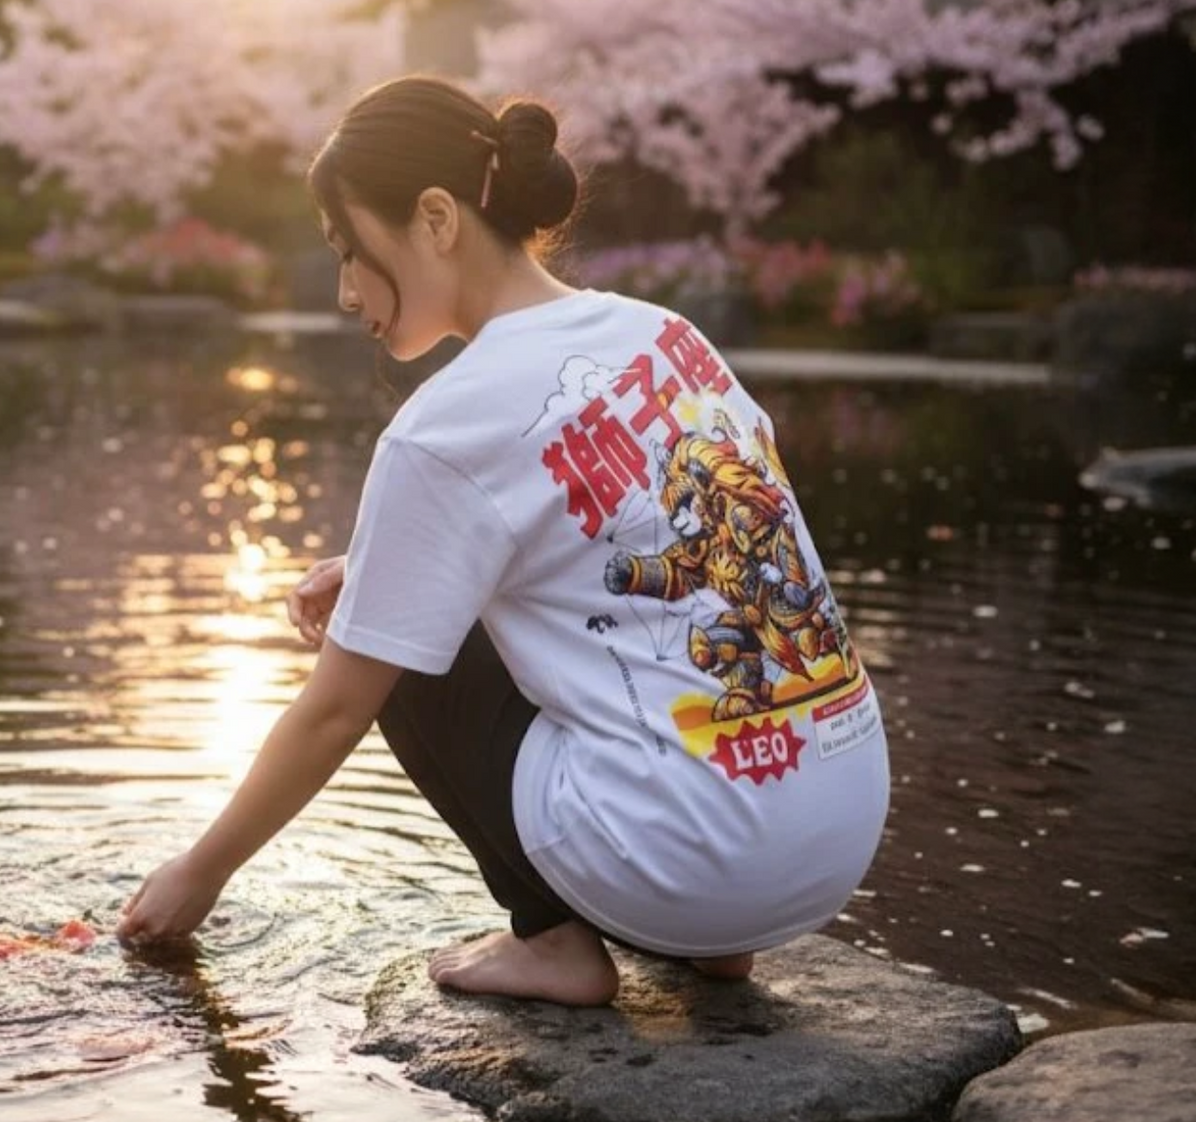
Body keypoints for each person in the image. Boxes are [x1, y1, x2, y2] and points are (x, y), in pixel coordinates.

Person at [117, 76, 890, 1006]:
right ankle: (715, 948)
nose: (343, 290)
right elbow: (689, 529)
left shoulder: (443, 425)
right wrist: (380, 567)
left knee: (388, 654)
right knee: (430, 611)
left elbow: (334, 711)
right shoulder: (665, 336)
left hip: (692, 859)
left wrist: (198, 874)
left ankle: (555, 942)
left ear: (435, 218)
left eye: (350, 251)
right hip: (831, 840)